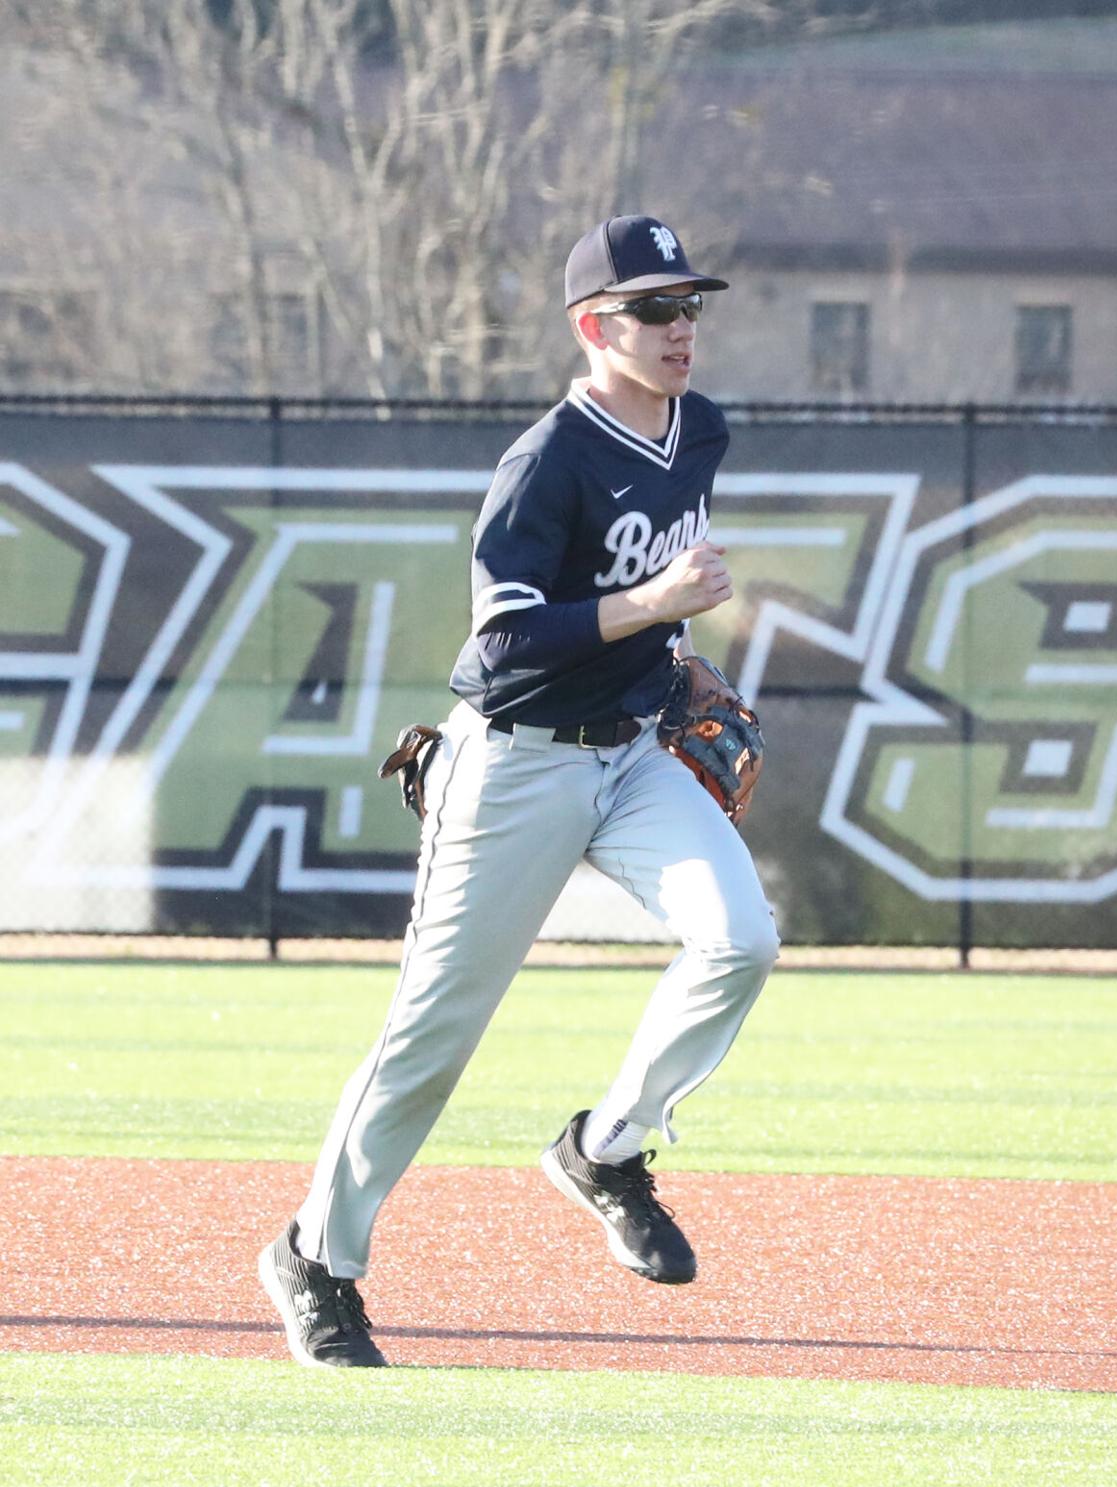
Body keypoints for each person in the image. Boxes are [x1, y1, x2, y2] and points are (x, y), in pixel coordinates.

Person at [259, 214, 780, 1368]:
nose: (680, 326)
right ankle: (316, 1253)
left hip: (637, 749)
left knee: (741, 940)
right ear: (595, 327)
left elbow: (652, 598)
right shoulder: (546, 460)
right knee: (432, 1037)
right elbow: (502, 645)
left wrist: (672, 656)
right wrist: (652, 607)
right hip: (515, 758)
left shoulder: (703, 429)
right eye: (654, 308)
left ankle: (607, 1147)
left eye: (690, 303)